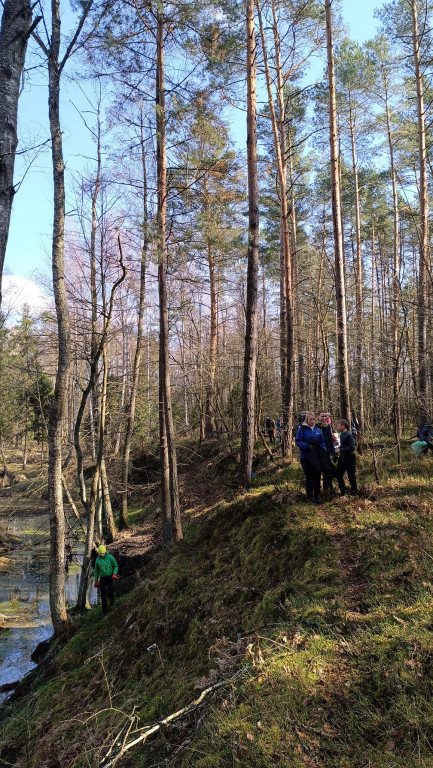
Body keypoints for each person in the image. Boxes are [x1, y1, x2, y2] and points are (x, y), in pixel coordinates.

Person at [295, 411, 327, 504]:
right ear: (307, 420)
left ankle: (317, 497)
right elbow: (298, 441)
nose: (312, 421)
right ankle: (309, 497)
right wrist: (307, 446)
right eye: (310, 419)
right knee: (309, 477)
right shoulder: (302, 429)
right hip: (305, 457)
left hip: (316, 457)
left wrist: (322, 449)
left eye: (313, 419)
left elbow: (322, 442)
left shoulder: (318, 430)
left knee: (317, 476)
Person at [94, 544, 119, 615]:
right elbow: (96, 571)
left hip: (110, 577)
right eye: (100, 553)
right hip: (102, 578)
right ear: (98, 553)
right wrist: (96, 581)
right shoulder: (97, 560)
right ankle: (104, 611)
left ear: (105, 552)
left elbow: (115, 566)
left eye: (103, 553)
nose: (102, 554)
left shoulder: (110, 557)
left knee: (109, 590)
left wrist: (114, 573)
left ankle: (112, 599)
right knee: (103, 595)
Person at [335, 419, 358, 496]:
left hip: (350, 458)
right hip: (342, 458)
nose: (337, 427)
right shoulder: (341, 435)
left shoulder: (349, 435)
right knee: (338, 474)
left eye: (338, 426)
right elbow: (343, 446)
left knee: (351, 475)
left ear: (343, 426)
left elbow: (352, 447)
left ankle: (354, 492)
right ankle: (343, 491)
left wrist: (340, 450)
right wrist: (338, 449)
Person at [316, 410, 336, 493]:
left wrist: (333, 452)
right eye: (322, 416)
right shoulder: (315, 426)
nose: (324, 418)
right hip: (316, 453)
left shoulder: (327, 427)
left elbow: (330, 441)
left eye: (325, 416)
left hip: (326, 452)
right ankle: (316, 490)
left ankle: (327, 489)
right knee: (317, 471)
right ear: (318, 416)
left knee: (327, 471)